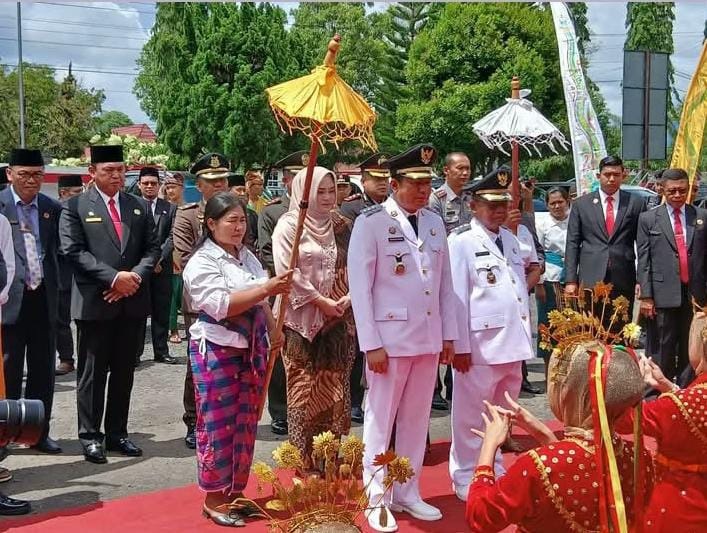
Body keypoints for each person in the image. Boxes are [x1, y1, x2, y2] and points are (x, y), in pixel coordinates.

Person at [349, 144, 458, 531]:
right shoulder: (372, 222)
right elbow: (360, 289)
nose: (423, 190)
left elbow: (444, 286)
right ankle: (375, 496)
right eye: (415, 183)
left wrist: (449, 335)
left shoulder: (433, 221)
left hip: (427, 338)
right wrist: (371, 343)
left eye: (427, 183)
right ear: (393, 184)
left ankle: (408, 491)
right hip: (389, 341)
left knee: (416, 418)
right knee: (381, 419)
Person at [182, 192, 291, 526]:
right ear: (211, 224)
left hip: (249, 350)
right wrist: (267, 289)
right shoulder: (201, 262)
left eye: (242, 220)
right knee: (217, 424)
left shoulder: (247, 257)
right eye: (231, 220)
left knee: (245, 422)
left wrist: (274, 331)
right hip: (216, 350)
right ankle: (214, 497)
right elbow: (221, 305)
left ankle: (234, 490)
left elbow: (260, 301)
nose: (238, 227)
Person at [465, 345, 651, 533]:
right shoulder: (640, 457)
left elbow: (480, 517)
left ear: (575, 394)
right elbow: (581, 474)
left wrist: (488, 449)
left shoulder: (536, 465)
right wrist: (543, 434)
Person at [59, 144, 160, 464]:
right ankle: (90, 436)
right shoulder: (75, 206)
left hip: (130, 302)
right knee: (91, 373)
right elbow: (73, 251)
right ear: (93, 173)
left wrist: (132, 279)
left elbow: (152, 248)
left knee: (123, 372)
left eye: (120, 170)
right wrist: (114, 279)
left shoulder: (137, 206)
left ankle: (118, 432)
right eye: (109, 171)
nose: (116, 176)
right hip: (95, 302)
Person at [447, 168, 538, 501]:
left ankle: (493, 464)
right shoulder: (461, 242)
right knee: (471, 413)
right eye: (490, 204)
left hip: (512, 343)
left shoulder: (512, 240)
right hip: (480, 344)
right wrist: (459, 344)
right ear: (473, 205)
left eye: (503, 204)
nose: (498, 211)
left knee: (502, 413)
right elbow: (456, 297)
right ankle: (465, 473)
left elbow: (518, 287)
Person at [272, 166, 356, 470]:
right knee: (303, 390)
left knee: (334, 387)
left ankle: (329, 456)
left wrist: (347, 298)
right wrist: (320, 301)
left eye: (331, 190)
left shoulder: (343, 224)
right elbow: (286, 272)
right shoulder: (289, 226)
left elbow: (356, 264)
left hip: (338, 320)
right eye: (318, 191)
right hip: (300, 323)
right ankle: (303, 461)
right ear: (302, 193)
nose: (326, 197)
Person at [0, 148, 63, 454]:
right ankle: (4, 435)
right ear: (10, 174)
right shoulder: (0, 207)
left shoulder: (51, 208)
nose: (31, 181)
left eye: (37, 174)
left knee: (42, 370)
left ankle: (38, 433)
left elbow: (58, 253)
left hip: (43, 299)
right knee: (8, 371)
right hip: (9, 301)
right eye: (24, 174)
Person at [614, 332, 707, 531]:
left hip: (681, 507)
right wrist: (667, 386)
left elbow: (623, 422)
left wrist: (634, 386)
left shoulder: (677, 406)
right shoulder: (680, 402)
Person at [172, 153, 230, 449]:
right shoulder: (187, 215)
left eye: (222, 179)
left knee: (232, 360)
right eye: (212, 181)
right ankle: (194, 420)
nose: (220, 185)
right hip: (200, 301)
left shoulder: (239, 211)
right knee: (199, 363)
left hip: (236, 299)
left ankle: (225, 417)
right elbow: (184, 258)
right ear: (200, 185)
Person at [637, 168, 704, 384]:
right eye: (672, 191)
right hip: (662, 294)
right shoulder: (648, 218)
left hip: (695, 295)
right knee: (662, 349)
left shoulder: (701, 216)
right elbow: (644, 260)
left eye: (682, 191)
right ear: (662, 190)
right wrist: (646, 296)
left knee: (691, 347)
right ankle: (656, 395)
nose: (677, 195)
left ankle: (684, 393)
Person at [257, 150, 308, 436]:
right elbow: (266, 253)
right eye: (295, 177)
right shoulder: (272, 212)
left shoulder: (321, 212)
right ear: (286, 181)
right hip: (282, 287)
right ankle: (279, 410)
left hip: (314, 293)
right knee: (280, 350)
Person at [339, 153, 391, 425]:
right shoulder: (351, 209)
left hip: (388, 289)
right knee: (359, 347)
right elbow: (350, 251)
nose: (382, 184)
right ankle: (354, 400)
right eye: (376, 179)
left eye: (386, 179)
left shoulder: (394, 208)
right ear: (364, 180)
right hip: (358, 284)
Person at [565, 155, 646, 313]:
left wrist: (642, 280)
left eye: (616, 175)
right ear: (598, 176)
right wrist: (570, 280)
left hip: (623, 277)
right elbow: (572, 243)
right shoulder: (582, 204)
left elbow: (643, 245)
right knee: (590, 329)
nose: (611, 179)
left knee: (621, 330)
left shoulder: (636, 203)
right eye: (607, 174)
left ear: (624, 176)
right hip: (590, 278)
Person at [427, 151, 473, 410]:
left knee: (461, 332)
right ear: (447, 171)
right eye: (460, 168)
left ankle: (455, 382)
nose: (465, 173)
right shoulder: (437, 199)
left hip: (465, 274)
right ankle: (434, 388)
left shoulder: (471, 198)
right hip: (442, 272)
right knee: (437, 332)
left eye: (467, 169)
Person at [135, 167, 178, 366]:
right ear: (139, 185)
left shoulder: (169, 208)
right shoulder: (131, 206)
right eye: (146, 183)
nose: (150, 186)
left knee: (161, 310)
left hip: (163, 267)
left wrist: (158, 260)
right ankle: (135, 353)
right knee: (138, 312)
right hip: (139, 268)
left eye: (153, 183)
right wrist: (147, 263)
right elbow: (131, 239)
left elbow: (171, 237)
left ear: (159, 185)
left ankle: (161, 351)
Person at [535, 187, 571, 371]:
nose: (557, 206)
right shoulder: (542, 223)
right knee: (548, 325)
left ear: (567, 201)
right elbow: (537, 254)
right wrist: (539, 284)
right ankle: (550, 369)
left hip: (571, 277)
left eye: (560, 202)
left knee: (572, 324)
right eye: (552, 203)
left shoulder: (575, 220)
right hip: (550, 278)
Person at [55, 175, 85, 376]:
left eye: (81, 192)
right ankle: (66, 358)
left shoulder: (86, 210)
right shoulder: (54, 210)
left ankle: (88, 357)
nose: (79, 196)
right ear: (63, 193)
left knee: (86, 319)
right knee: (61, 320)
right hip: (61, 272)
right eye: (76, 193)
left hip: (85, 272)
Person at [163, 173, 185, 345]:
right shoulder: (163, 209)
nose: (170, 190)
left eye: (173, 187)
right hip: (168, 257)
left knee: (184, 295)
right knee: (171, 295)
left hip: (185, 256)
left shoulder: (188, 209)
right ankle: (173, 329)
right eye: (168, 187)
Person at [228, 174, 258, 253]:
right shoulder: (221, 214)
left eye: (244, 190)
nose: (242, 193)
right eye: (239, 190)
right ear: (228, 191)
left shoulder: (252, 215)